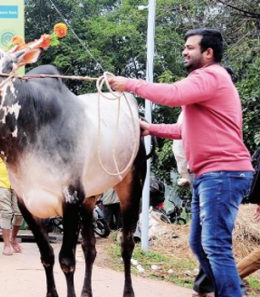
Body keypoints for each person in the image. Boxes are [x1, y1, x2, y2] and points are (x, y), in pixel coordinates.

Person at [108, 28, 253, 297]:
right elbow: (184, 129)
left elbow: (172, 95)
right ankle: (222, 290)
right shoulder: (207, 85)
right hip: (210, 174)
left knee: (214, 244)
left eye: (190, 47)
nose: (184, 51)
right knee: (200, 244)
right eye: (184, 47)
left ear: (208, 53)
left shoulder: (210, 75)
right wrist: (150, 128)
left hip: (222, 173)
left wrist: (129, 83)